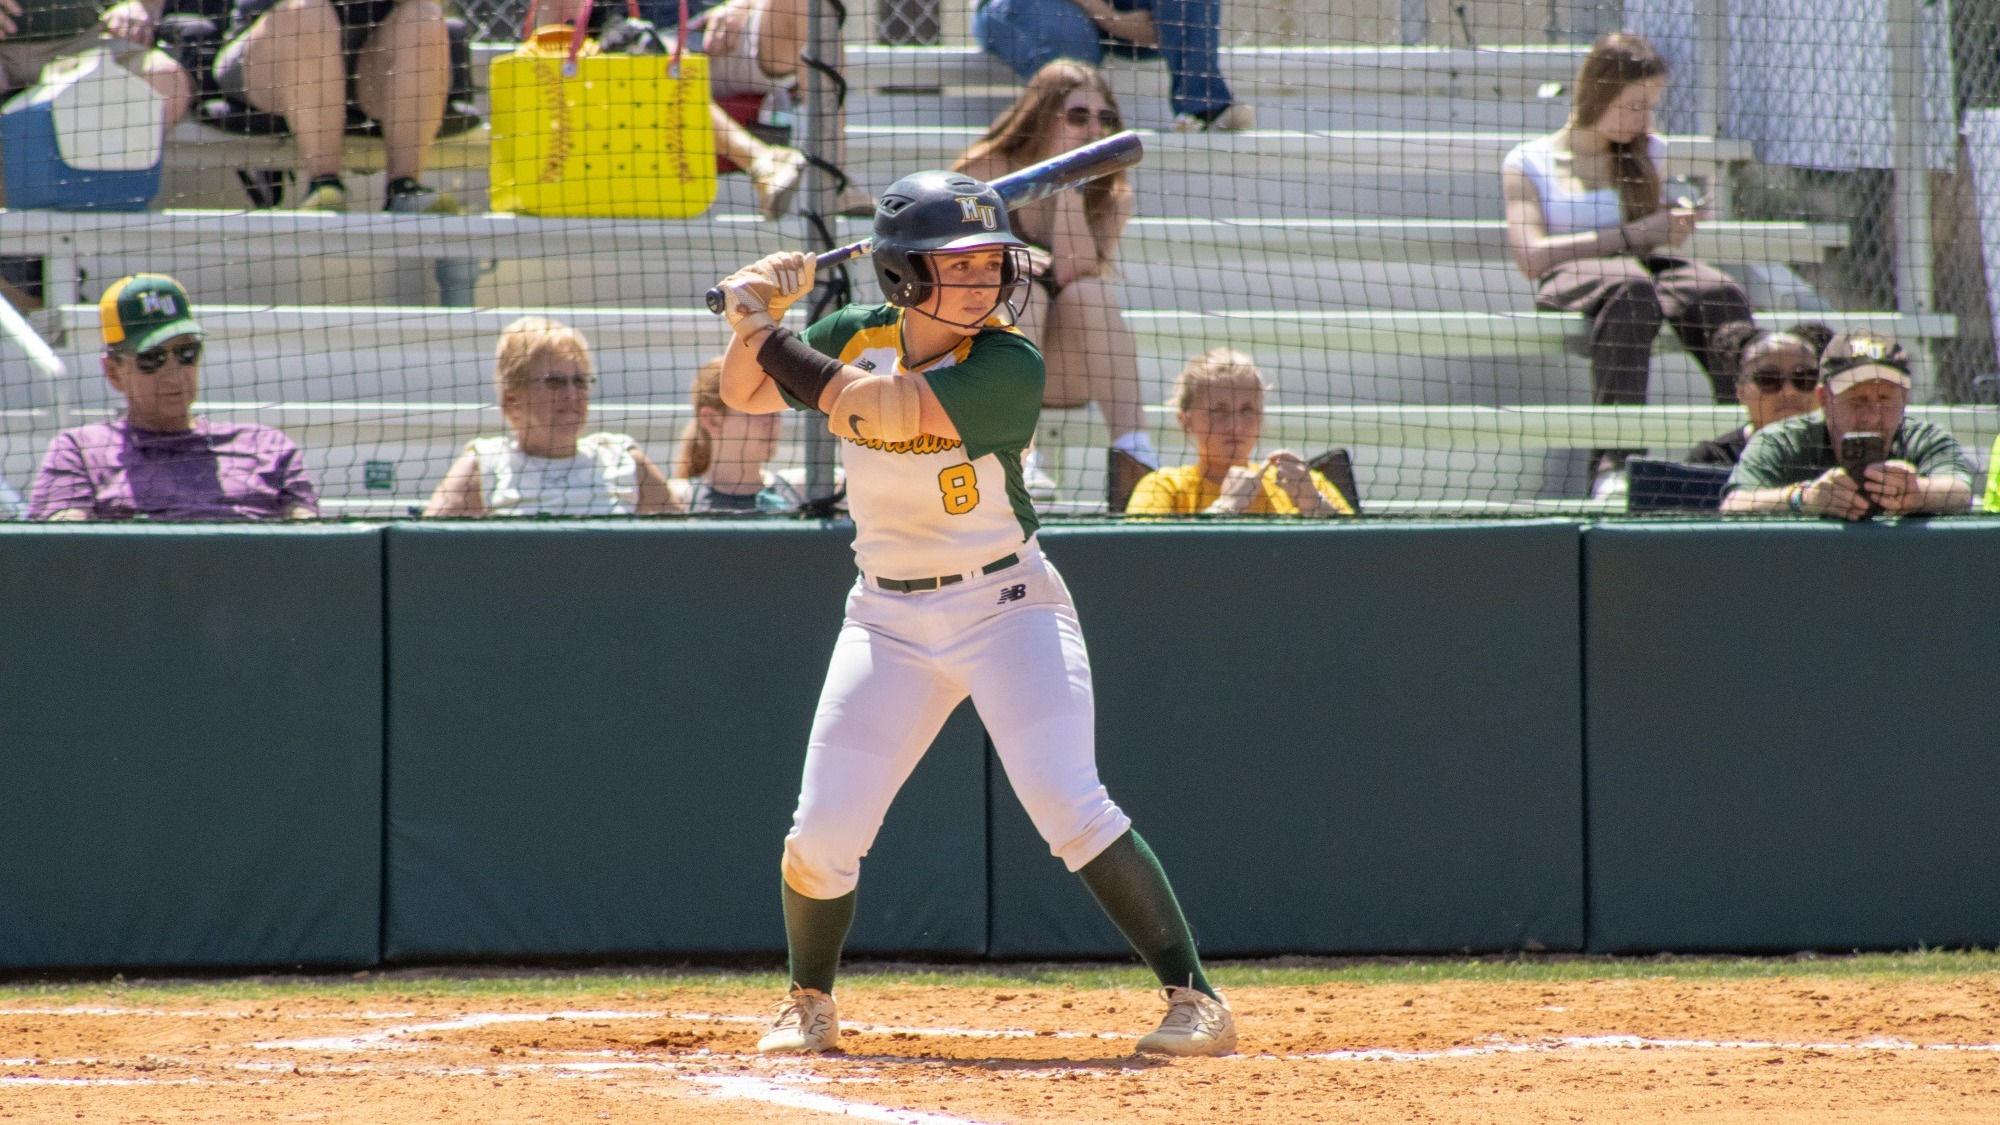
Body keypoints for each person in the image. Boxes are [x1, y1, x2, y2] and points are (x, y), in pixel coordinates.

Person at [712, 169, 1236, 1057]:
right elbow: (747, 392)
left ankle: (1196, 997)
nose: (983, 281)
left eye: (991, 263)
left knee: (1069, 804)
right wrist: (756, 315)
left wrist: (766, 328)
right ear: (905, 272)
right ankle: (809, 1000)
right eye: (957, 265)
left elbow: (882, 414)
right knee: (819, 836)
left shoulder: (1008, 360)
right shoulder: (856, 332)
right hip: (886, 618)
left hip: (1009, 606)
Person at [1503, 32, 1752, 484]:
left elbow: (1647, 244)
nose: (1645, 118)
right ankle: (1615, 465)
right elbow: (1531, 257)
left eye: (1652, 105)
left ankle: (1742, 446)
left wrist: (1670, 224)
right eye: (1634, 104)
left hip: (1639, 267)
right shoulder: (1529, 161)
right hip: (1573, 277)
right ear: (1598, 93)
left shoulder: (1651, 151)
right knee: (1629, 289)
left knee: (1718, 291)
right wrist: (1631, 233)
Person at [954, 60, 1156, 490]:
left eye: (1106, 119)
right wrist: (1004, 258)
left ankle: (1137, 458)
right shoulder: (986, 171)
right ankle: (1018, 455)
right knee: (1025, 288)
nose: (1094, 128)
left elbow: (1072, 270)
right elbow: (944, 266)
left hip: (1062, 370)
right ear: (1045, 115)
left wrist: (1066, 181)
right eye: (1078, 115)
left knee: (1088, 293)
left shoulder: (1113, 195)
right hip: (981, 364)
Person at [28, 274, 318, 520]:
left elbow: (314, 547)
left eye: (186, 353)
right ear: (114, 372)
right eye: (152, 358)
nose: (174, 372)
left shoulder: (266, 448)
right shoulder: (79, 452)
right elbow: (59, 552)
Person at [2, 0, 194, 309]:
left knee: (164, 79)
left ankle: (45, 256)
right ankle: (18, 262)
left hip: (87, 39)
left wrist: (138, 6)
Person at [211, 0, 455, 212]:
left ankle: (404, 189)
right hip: (273, 52)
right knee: (310, 9)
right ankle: (324, 185)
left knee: (424, 17)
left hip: (367, 61)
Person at [423, 316, 676, 516]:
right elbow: (426, 554)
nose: (571, 393)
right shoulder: (484, 464)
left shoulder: (623, 459)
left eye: (579, 381)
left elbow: (687, 552)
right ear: (513, 398)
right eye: (554, 382)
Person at [1721, 330, 1973, 520]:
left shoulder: (1924, 438)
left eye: (1885, 399)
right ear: (1823, 399)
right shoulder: (1779, 439)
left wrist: (1917, 492)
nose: (1872, 416)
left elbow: (1960, 491)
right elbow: (1734, 503)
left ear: (1905, 399)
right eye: (1857, 400)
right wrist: (1804, 498)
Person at [1127, 346, 1353, 517]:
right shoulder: (1162, 486)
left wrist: (1315, 505)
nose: (1235, 425)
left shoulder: (1306, 484)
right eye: (1218, 411)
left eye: (1247, 410)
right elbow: (1142, 560)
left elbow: (1361, 558)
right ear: (1186, 421)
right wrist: (1226, 507)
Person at [971, 0, 1248, 132]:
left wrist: (1167, 22)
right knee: (1067, 38)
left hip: (1117, 14)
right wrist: (1109, 18)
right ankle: (1062, 151)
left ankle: (1204, 108)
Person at [1685, 320, 1832, 466]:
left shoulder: (1839, 451)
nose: (1789, 392)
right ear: (1741, 391)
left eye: (1805, 378)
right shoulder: (1714, 459)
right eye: (1769, 379)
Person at [674, 355, 804, 513]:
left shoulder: (801, 491)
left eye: (775, 407)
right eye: (758, 408)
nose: (773, 421)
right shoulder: (677, 500)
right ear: (713, 421)